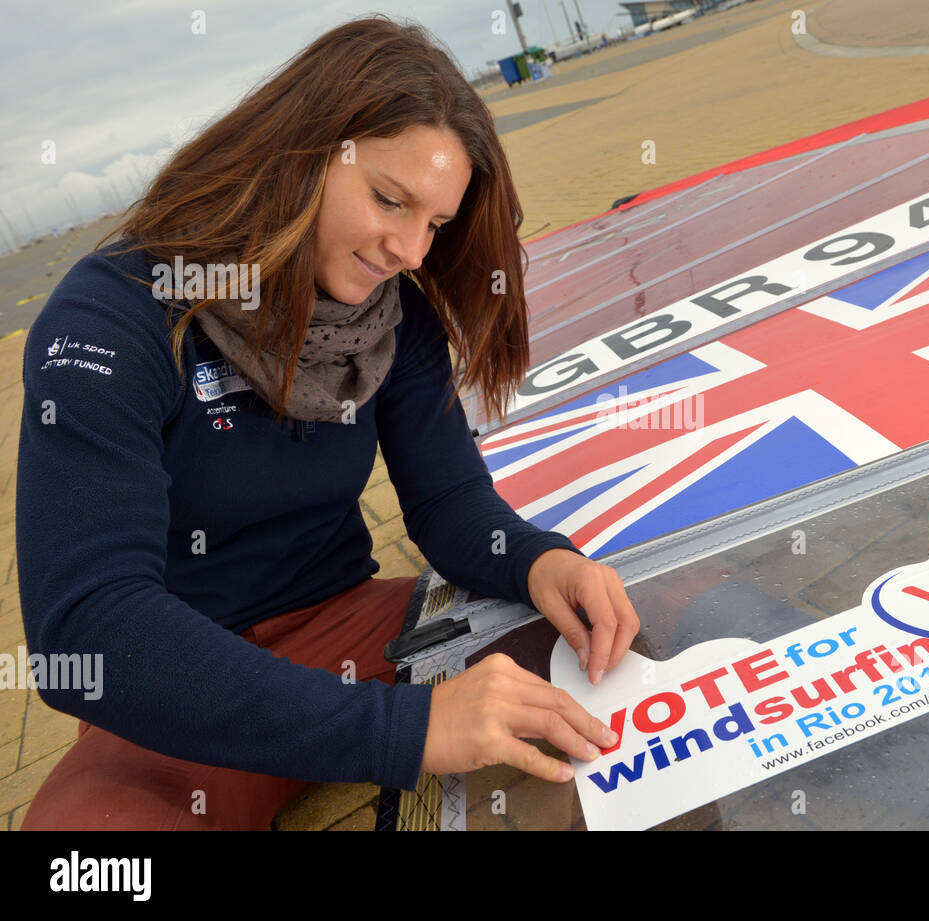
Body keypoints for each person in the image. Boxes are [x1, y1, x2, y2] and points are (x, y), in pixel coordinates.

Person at [16, 15, 638, 830]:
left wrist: (535, 559)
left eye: (437, 225)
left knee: (643, 636)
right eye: (389, 200)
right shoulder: (112, 316)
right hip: (186, 674)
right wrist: (406, 731)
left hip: (358, 629)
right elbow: (86, 634)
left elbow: (449, 502)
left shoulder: (393, 316)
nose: (411, 250)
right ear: (301, 154)